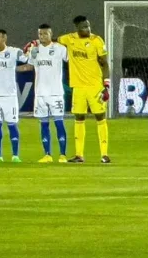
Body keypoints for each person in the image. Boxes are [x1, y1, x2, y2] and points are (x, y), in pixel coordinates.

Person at [56, 16, 110, 163]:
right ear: (77, 28)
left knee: (100, 117)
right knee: (79, 118)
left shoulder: (97, 41)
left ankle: (104, 155)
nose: (88, 29)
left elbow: (105, 63)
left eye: (88, 26)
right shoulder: (69, 39)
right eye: (84, 27)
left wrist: (106, 86)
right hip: (78, 87)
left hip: (95, 87)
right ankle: (79, 155)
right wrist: (36, 43)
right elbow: (53, 41)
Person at [21, 24, 69, 163]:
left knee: (59, 123)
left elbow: (71, 60)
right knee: (44, 124)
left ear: (51, 34)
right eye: (40, 34)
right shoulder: (34, 50)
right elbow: (30, 65)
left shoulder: (60, 49)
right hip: (40, 93)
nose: (42, 36)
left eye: (45, 34)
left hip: (56, 93)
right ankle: (47, 154)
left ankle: (62, 155)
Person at [0, 29, 27, 162]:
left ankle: (15, 155)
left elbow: (27, 59)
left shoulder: (13, 52)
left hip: (9, 97)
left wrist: (32, 52)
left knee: (12, 125)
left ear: (4, 39)